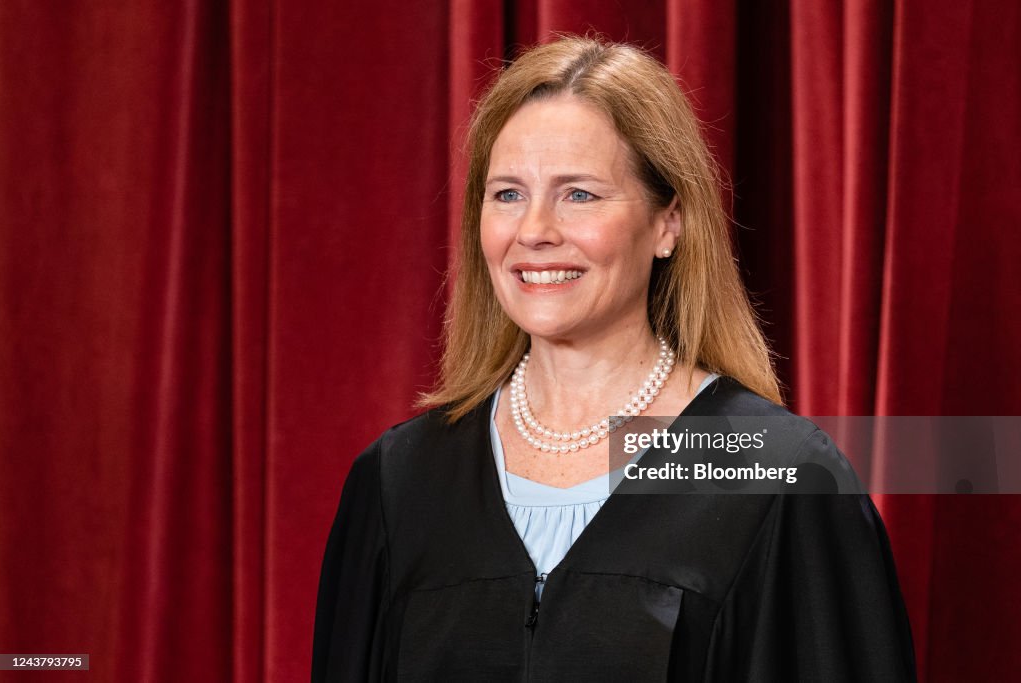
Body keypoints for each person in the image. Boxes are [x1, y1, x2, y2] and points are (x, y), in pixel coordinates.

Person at [312, 36, 915, 682]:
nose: (535, 230)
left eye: (580, 195)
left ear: (667, 223)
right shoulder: (399, 485)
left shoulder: (776, 480)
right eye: (508, 194)